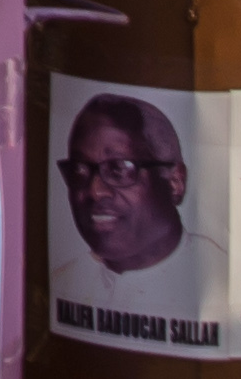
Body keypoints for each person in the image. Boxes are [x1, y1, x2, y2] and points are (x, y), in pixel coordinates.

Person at [59, 92, 194, 277]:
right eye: (79, 171)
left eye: (119, 169)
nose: (95, 192)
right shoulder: (64, 280)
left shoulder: (221, 278)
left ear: (175, 182)